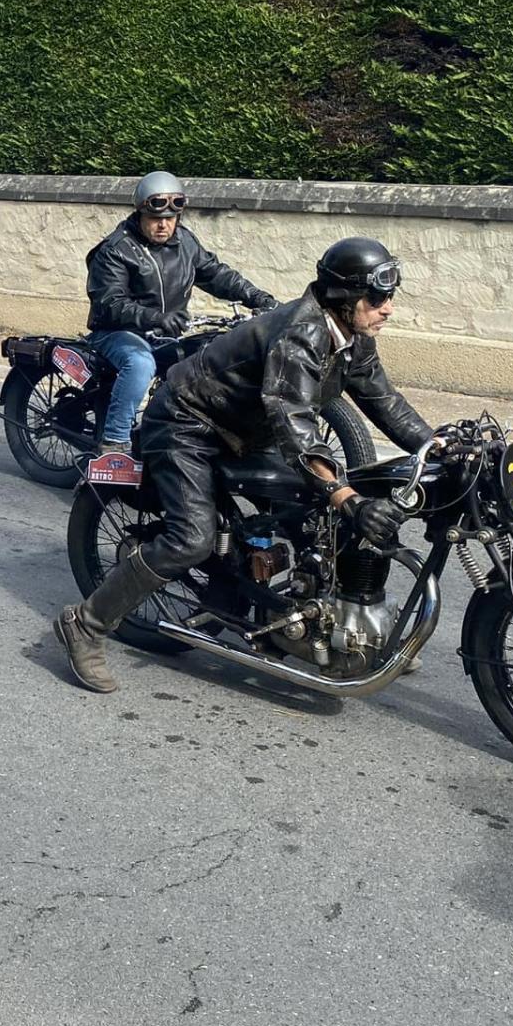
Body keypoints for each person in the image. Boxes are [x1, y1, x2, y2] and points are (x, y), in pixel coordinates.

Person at [56, 236, 435, 694]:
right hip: (188, 422)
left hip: (243, 428)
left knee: (318, 520)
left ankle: (325, 623)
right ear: (344, 296)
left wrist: (437, 445)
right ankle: (86, 623)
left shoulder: (352, 337)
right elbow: (293, 417)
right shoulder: (302, 334)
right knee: (191, 539)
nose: (388, 308)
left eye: (389, 297)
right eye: (377, 298)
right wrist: (344, 495)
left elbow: (385, 402)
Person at [84, 171, 277, 455]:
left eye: (170, 219)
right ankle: (114, 443)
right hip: (117, 332)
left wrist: (257, 297)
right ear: (140, 214)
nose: (163, 225)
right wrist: (156, 318)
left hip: (166, 333)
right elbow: (109, 303)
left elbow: (217, 275)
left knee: (209, 357)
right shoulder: (117, 249)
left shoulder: (185, 242)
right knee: (140, 364)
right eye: (155, 218)